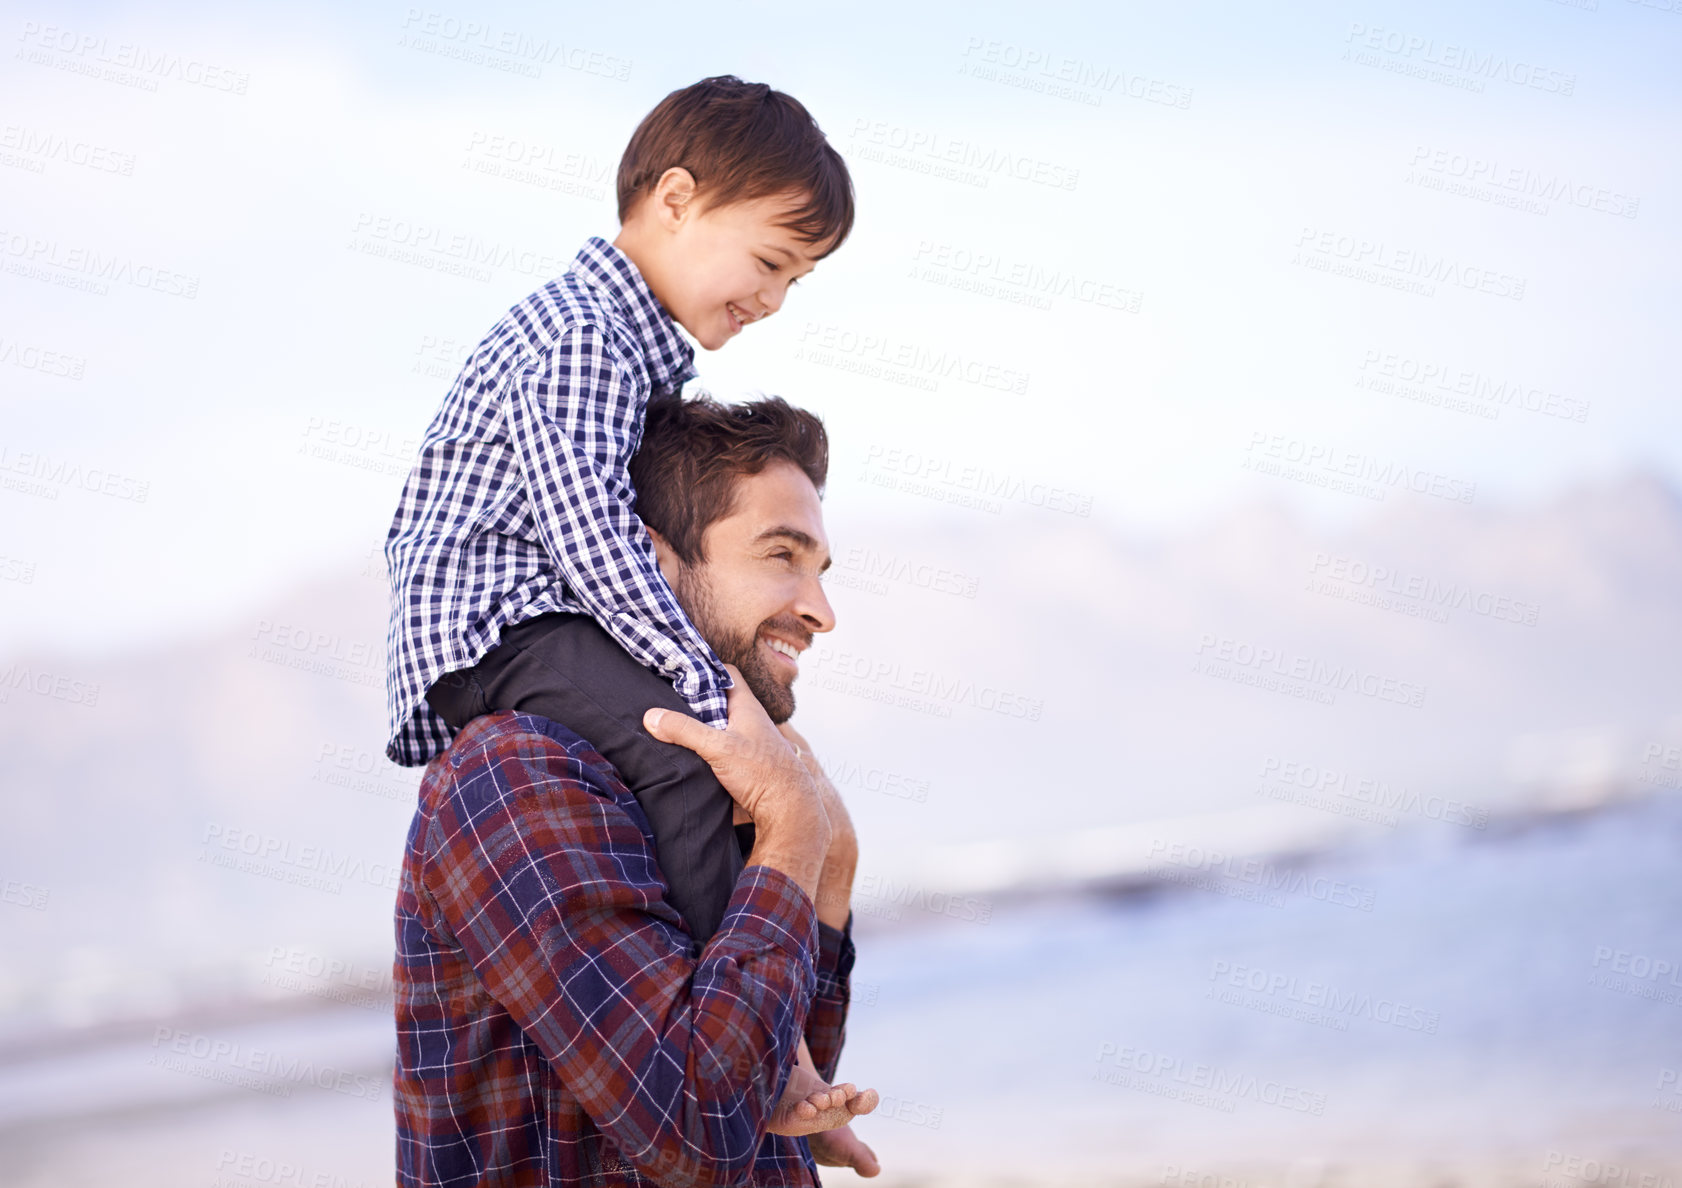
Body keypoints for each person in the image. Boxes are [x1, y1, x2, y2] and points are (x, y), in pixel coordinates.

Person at [382, 75, 855, 949]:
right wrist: (707, 688)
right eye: (768, 262)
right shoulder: (586, 335)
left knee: (712, 752)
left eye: (797, 279)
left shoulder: (639, 349)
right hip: (499, 625)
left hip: (544, 621)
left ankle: (732, 978)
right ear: (677, 199)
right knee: (688, 756)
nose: (776, 300)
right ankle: (739, 996)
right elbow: (591, 537)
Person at [395, 394, 878, 1185]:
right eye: (780, 556)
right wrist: (794, 829)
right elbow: (698, 1132)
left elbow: (771, 1094)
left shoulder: (722, 779)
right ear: (649, 562)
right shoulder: (519, 776)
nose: (821, 612)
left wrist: (828, 872)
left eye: (820, 571)